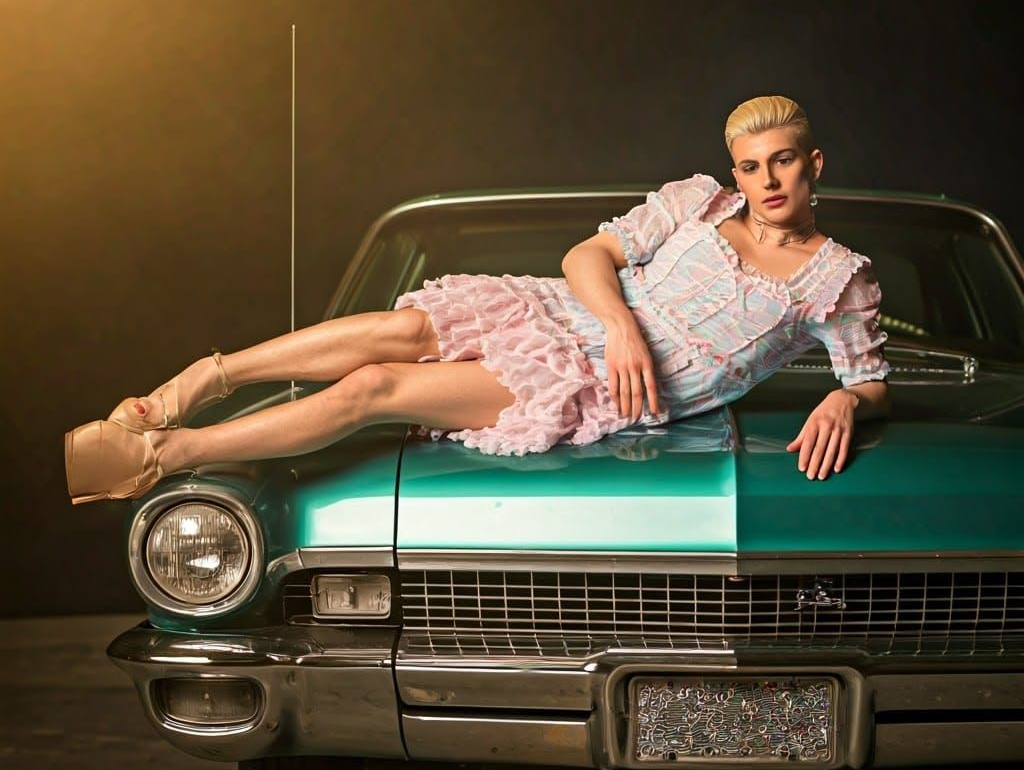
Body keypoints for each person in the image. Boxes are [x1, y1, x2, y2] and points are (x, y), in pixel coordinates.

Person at [64, 95, 891, 504]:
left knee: (372, 391)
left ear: (813, 163)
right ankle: (200, 382)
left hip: (601, 387)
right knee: (401, 328)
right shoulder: (699, 202)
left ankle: (160, 457)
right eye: (752, 166)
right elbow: (588, 255)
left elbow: (866, 376)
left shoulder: (837, 279)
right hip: (574, 316)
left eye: (782, 162)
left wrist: (846, 403)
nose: (765, 181)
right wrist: (619, 326)